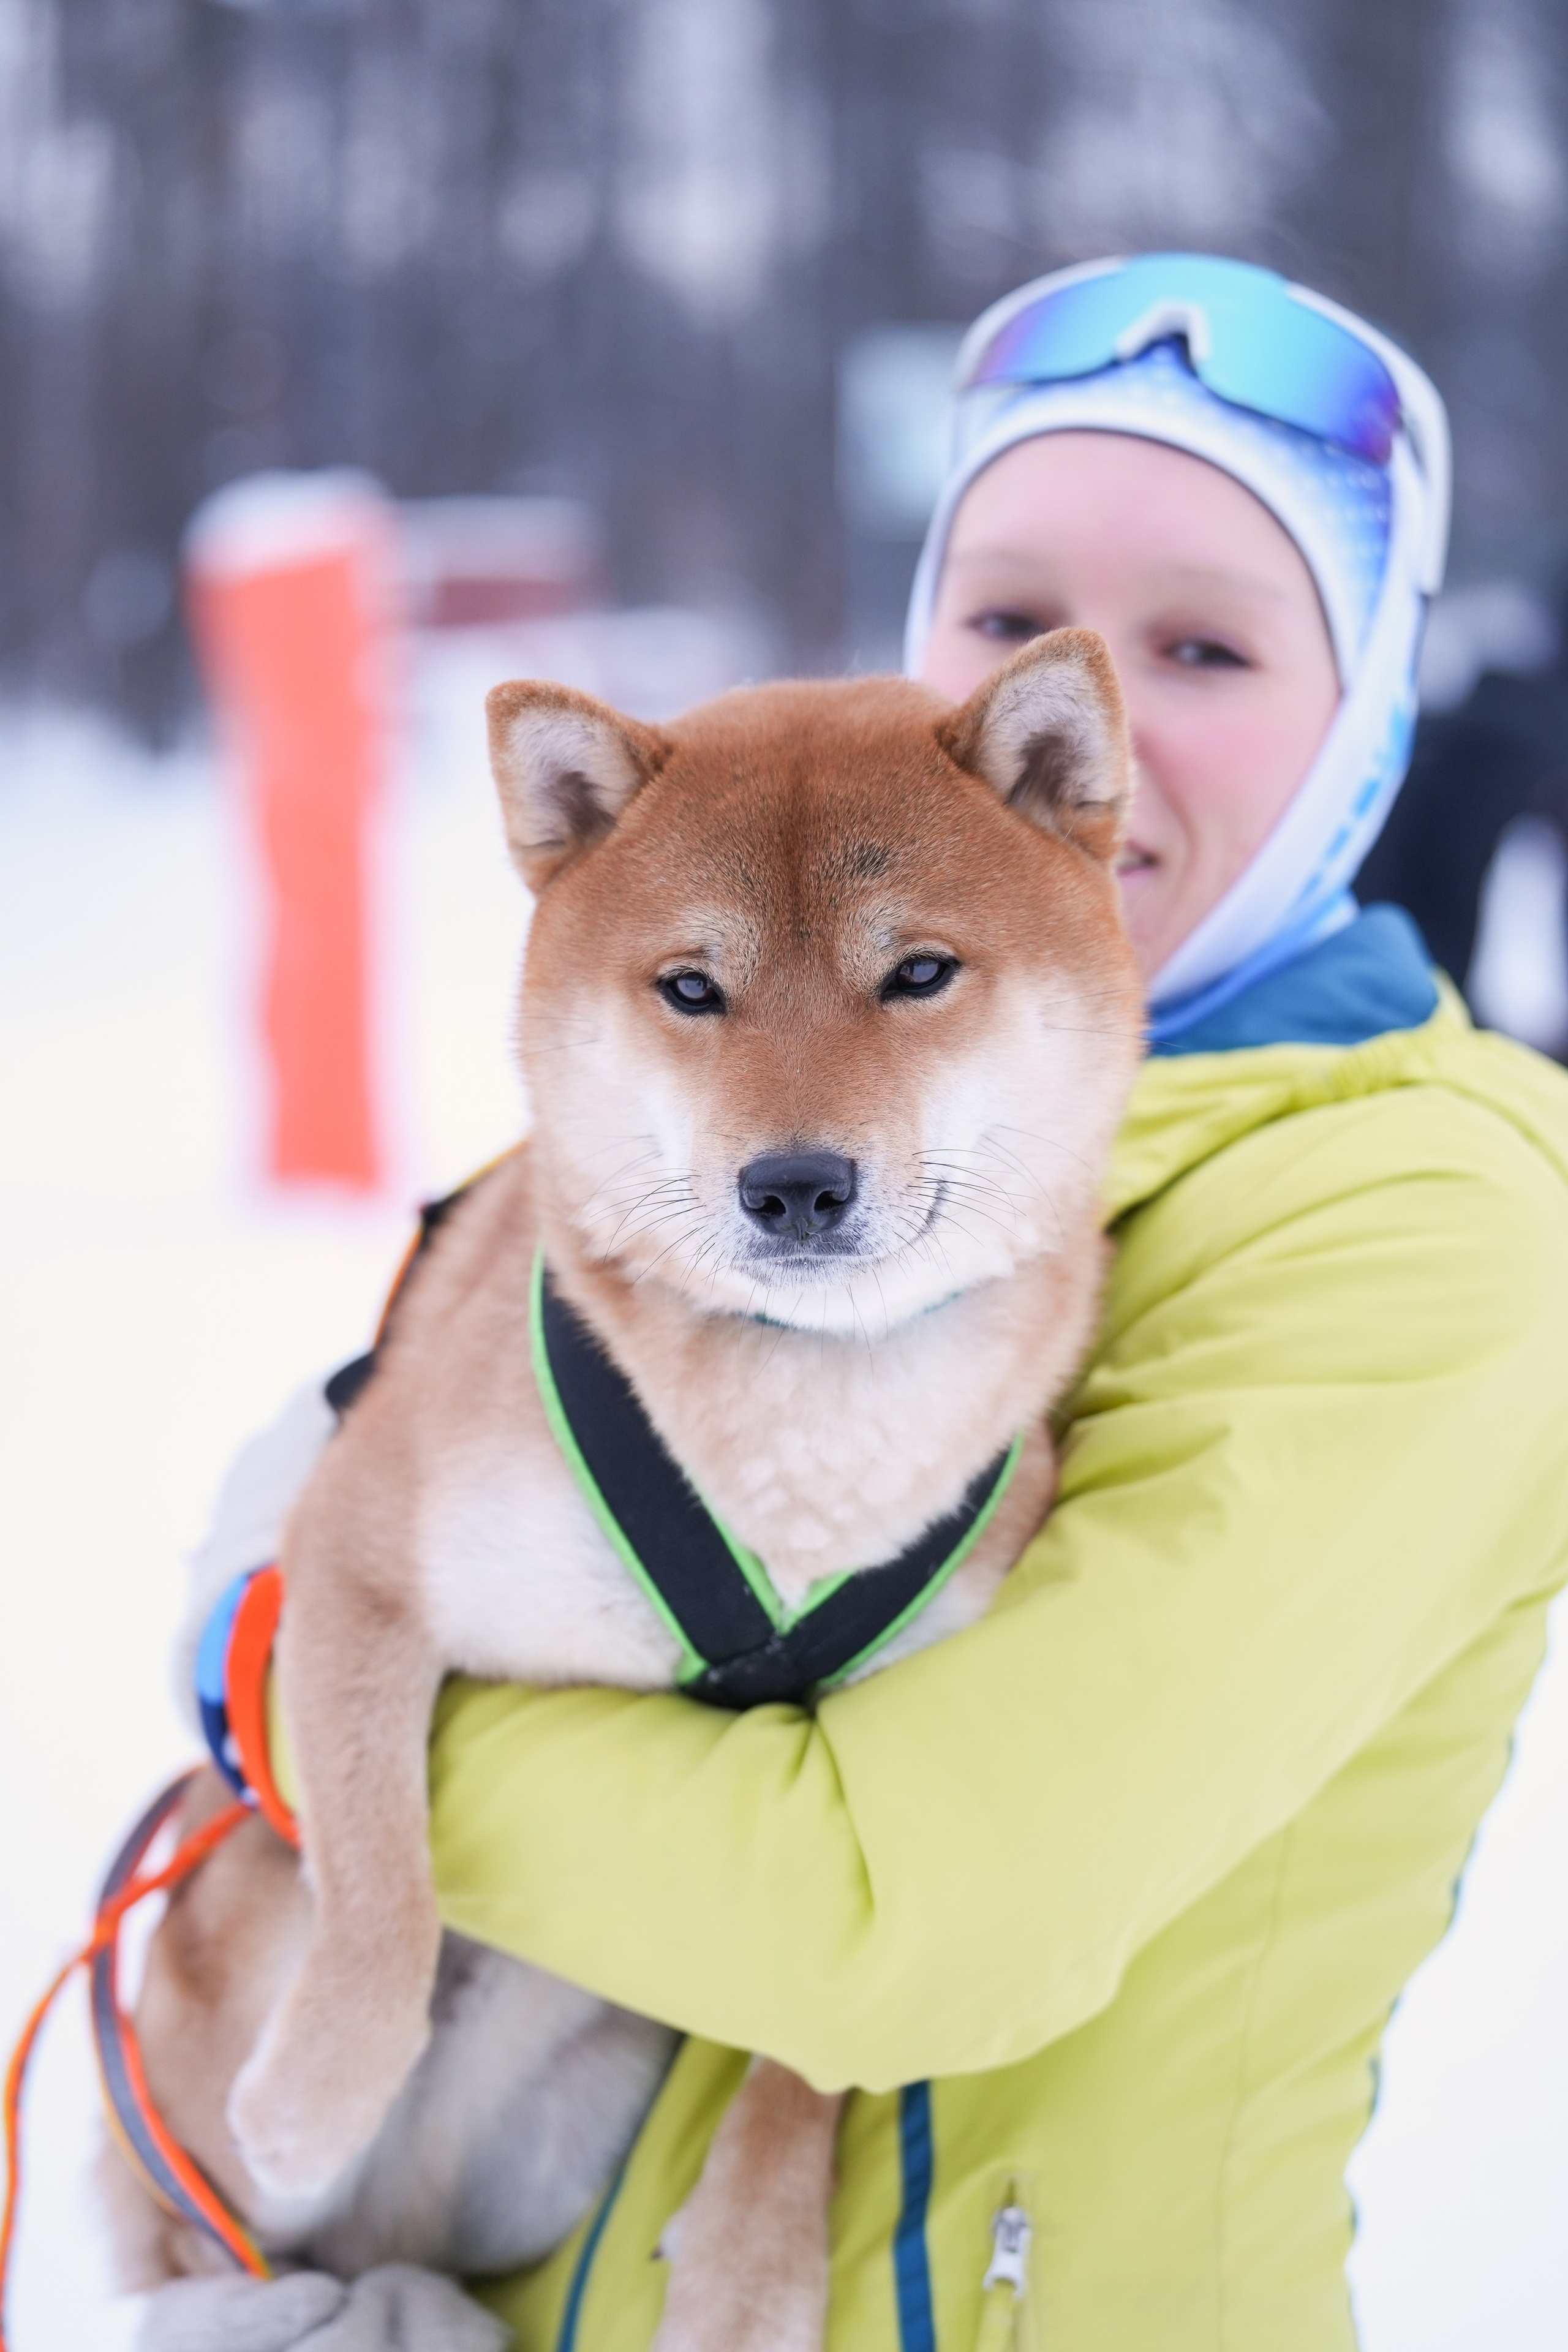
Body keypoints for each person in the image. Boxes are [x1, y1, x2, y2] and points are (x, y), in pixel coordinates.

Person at [195, 257, 1568, 2350]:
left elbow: (892, 1927)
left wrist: (287, 1686)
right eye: (1011, 618)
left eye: (1203, 642)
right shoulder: (733, 1065)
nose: (1091, 688)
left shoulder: (1432, 1219)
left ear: (1371, 714)